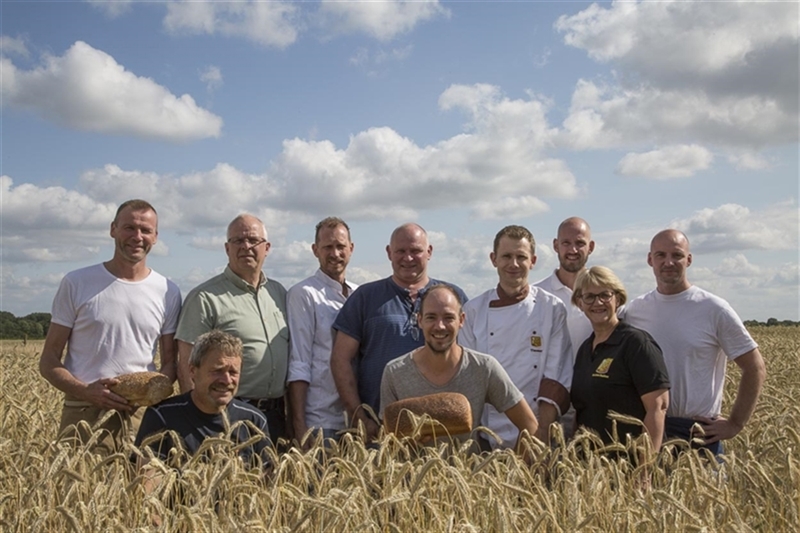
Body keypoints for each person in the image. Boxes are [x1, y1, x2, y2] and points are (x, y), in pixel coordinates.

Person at [39, 199, 181, 452]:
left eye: (145, 230)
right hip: (83, 412)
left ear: (156, 236)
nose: (137, 236)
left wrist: (149, 394)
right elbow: (48, 360)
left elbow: (171, 362)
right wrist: (85, 391)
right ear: (113, 229)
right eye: (129, 228)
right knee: (78, 490)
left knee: (139, 491)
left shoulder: (167, 291)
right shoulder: (76, 282)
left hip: (142, 415)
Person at [622, 229, 766, 454]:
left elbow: (755, 367)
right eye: (660, 255)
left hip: (697, 432)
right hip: (647, 427)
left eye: (677, 255)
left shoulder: (714, 308)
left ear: (688, 259)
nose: (669, 262)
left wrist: (735, 423)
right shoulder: (635, 310)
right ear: (650, 260)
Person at [330, 223, 468, 441]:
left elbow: (470, 357)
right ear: (388, 253)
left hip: (444, 430)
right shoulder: (366, 297)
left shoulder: (452, 297)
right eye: (401, 251)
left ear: (429, 252)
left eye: (415, 251)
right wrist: (359, 416)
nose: (408, 258)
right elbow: (340, 359)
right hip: (380, 429)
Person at [380, 285, 539, 450]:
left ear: (461, 320)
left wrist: (518, 470)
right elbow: (387, 442)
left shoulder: (483, 368)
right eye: (431, 317)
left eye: (448, 317)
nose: (440, 326)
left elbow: (530, 425)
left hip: (469, 474)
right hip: (412, 475)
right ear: (419, 320)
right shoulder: (395, 373)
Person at [176, 214, 289, 443]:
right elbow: (187, 365)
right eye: (238, 241)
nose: (246, 246)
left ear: (266, 248)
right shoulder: (205, 298)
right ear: (227, 248)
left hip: (276, 415)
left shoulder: (279, 294)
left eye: (253, 241)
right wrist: (199, 422)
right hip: (229, 415)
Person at [460, 225, 572, 447]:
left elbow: (556, 377)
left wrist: (539, 436)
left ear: (533, 260)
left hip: (539, 431)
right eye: (506, 256)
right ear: (493, 259)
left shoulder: (552, 308)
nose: (514, 264)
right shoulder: (473, 310)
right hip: (487, 436)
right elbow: (469, 378)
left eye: (521, 257)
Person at [135, 330, 271, 467]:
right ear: (193, 371)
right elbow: (148, 478)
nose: (226, 380)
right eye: (217, 371)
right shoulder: (161, 416)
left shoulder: (254, 421)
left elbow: (267, 480)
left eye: (233, 372)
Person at [570, 266, 670, 451]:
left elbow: (658, 408)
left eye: (605, 295)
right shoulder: (585, 349)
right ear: (580, 302)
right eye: (589, 297)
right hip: (590, 469)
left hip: (631, 465)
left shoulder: (636, 343)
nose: (598, 302)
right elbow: (582, 410)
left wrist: (645, 471)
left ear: (618, 298)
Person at [287, 217, 358, 444]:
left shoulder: (360, 295)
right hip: (320, 420)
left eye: (340, 246)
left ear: (351, 249)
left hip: (357, 421)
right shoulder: (304, 294)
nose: (335, 253)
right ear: (315, 250)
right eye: (327, 247)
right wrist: (300, 425)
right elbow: (299, 361)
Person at [534, 217, 595, 438]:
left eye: (579, 243)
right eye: (566, 243)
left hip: (593, 404)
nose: (572, 249)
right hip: (548, 403)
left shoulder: (604, 298)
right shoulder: (537, 296)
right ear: (555, 245)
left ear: (591, 247)